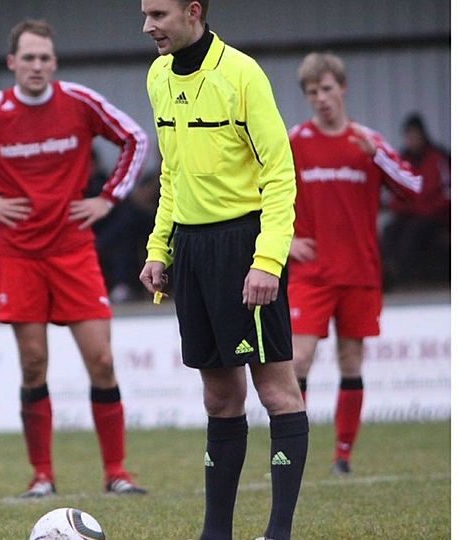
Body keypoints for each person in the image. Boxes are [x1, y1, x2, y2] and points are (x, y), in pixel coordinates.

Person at [0, 19, 149, 498]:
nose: (36, 66)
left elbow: (136, 138)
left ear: (54, 62)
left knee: (103, 360)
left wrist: (109, 198)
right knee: (33, 364)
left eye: (44, 58)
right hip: (19, 255)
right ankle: (42, 476)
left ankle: (117, 472)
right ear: (12, 62)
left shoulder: (79, 102)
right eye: (27, 57)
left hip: (74, 251)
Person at [138, 1, 308, 539]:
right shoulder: (158, 76)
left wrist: (268, 260)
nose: (148, 26)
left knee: (276, 391)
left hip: (243, 248)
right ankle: (218, 533)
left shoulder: (242, 73)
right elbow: (172, 173)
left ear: (193, 11)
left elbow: (280, 175)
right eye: (144, 14)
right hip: (190, 250)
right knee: (218, 396)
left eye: (158, 14)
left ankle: (277, 531)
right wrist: (159, 248)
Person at [287, 53, 422, 476]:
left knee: (351, 362)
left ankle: (342, 456)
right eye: (312, 92)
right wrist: (286, 239)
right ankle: (295, 453)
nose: (321, 99)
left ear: (342, 88)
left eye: (327, 89)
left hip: (360, 273)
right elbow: (259, 192)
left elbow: (416, 190)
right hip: (311, 274)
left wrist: (377, 157)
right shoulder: (295, 141)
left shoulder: (368, 141)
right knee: (296, 362)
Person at [381, 113, 449, 289]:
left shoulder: (438, 157)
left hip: (435, 215)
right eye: (408, 136)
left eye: (414, 136)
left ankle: (404, 277)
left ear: (422, 135)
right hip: (409, 215)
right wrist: (406, 208)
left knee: (413, 233)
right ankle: (387, 273)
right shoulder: (402, 160)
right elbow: (393, 194)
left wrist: (426, 208)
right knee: (389, 232)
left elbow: (447, 193)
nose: (411, 140)